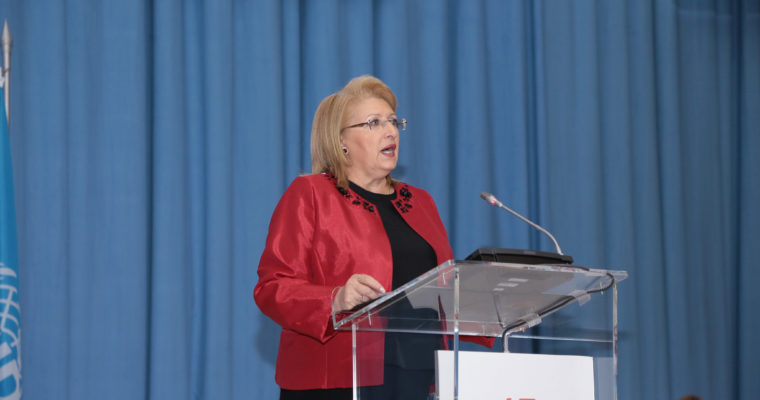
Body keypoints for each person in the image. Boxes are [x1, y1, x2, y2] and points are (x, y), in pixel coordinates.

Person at [254, 75, 453, 400]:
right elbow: (272, 287)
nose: (391, 131)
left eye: (393, 121)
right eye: (374, 123)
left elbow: (443, 285)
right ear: (340, 140)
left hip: (417, 375)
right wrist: (334, 300)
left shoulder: (421, 202)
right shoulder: (311, 194)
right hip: (336, 378)